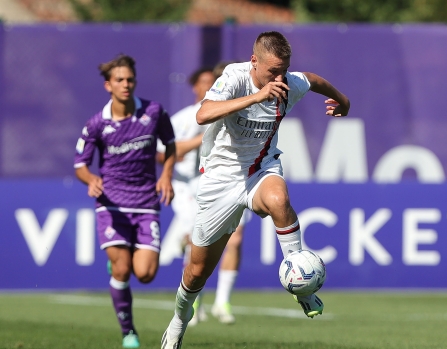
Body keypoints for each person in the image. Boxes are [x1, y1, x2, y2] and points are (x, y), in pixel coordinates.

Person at [161, 31, 350, 348]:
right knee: (196, 273)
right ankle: (178, 323)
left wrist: (343, 101)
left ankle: (301, 286)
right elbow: (203, 113)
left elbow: (314, 79)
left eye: (284, 71)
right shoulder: (234, 77)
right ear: (254, 62)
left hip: (261, 170)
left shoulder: (291, 83)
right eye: (272, 72)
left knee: (279, 199)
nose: (280, 78)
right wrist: (257, 96)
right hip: (220, 179)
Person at [74, 54, 176, 348]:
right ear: (108, 85)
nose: (126, 84)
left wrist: (166, 175)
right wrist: (91, 179)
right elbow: (80, 164)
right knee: (121, 270)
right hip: (112, 205)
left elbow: (170, 144)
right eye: (119, 80)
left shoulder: (154, 112)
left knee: (144, 274)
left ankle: (121, 264)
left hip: (145, 203)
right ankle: (128, 331)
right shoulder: (96, 124)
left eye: (130, 79)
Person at [157, 63, 248, 326]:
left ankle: (223, 302)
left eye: (215, 81)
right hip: (189, 187)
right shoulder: (183, 118)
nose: (210, 86)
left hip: (227, 182)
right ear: (196, 86)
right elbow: (164, 153)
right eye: (205, 81)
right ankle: (193, 301)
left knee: (235, 238)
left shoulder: (232, 114)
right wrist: (202, 138)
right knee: (197, 240)